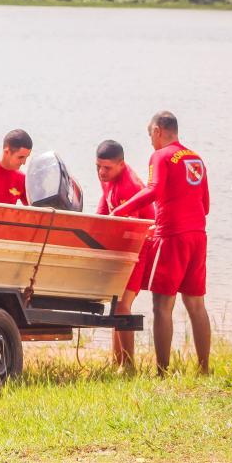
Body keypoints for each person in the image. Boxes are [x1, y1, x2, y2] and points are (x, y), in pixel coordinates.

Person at [112, 111, 210, 375]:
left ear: (157, 131)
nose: (150, 142)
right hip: (198, 235)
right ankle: (204, 368)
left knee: (162, 305)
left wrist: (122, 210)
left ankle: (162, 371)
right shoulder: (196, 158)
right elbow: (206, 206)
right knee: (196, 304)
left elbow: (153, 189)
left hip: (172, 236)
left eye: (149, 136)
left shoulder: (160, 156)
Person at [95, 139, 155, 369]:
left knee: (122, 305)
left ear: (121, 164)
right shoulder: (109, 178)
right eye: (98, 166)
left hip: (139, 249)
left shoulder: (130, 187)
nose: (101, 172)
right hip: (123, 249)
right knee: (116, 304)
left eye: (107, 168)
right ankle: (116, 361)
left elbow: (138, 229)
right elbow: (105, 204)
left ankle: (128, 366)